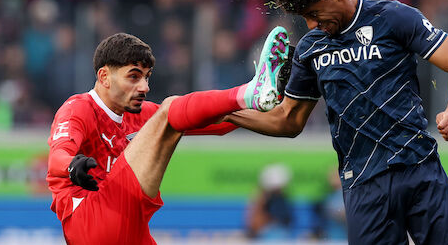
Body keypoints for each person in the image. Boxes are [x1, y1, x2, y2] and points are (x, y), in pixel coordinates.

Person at [225, 0, 448, 244]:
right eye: (304, 17)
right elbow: (288, 120)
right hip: (362, 185)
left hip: (419, 169)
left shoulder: (393, 18)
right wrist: (227, 111)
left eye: (314, 13)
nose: (311, 24)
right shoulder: (310, 49)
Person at [46, 28, 290, 245]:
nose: (144, 87)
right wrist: (71, 165)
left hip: (133, 229)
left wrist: (278, 104)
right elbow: (58, 154)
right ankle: (248, 90)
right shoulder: (79, 108)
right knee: (169, 109)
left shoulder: (142, 115)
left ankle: (266, 96)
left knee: (185, 113)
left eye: (146, 77)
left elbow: (220, 122)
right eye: (134, 76)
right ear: (104, 77)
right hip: (91, 221)